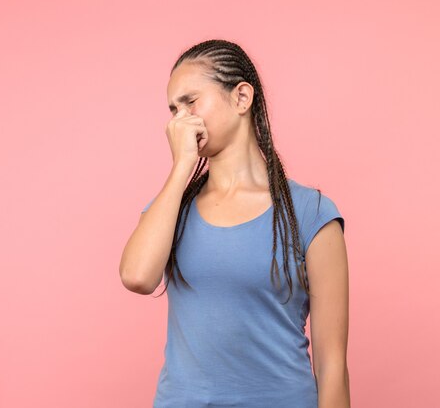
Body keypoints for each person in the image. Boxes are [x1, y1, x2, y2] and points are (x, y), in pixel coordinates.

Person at [119, 39, 350, 408]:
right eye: (173, 110)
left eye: (191, 102)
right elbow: (137, 276)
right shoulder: (171, 208)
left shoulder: (311, 213)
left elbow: (332, 365)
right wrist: (181, 167)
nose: (180, 120)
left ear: (241, 98)